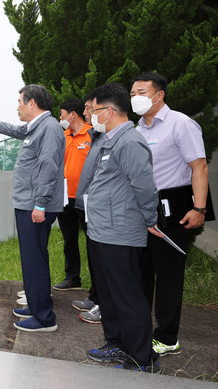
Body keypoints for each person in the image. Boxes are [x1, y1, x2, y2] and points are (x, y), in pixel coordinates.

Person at [0, 84, 65, 333]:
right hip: (29, 204)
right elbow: (11, 129)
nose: (17, 106)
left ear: (32, 103)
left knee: (35, 261)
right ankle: (36, 304)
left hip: (35, 206)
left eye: (20, 101)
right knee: (32, 259)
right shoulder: (37, 127)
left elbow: (49, 168)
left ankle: (44, 319)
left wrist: (40, 203)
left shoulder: (49, 128)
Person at [85, 83, 161, 373]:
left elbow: (145, 186)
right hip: (101, 231)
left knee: (127, 296)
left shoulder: (129, 141)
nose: (91, 115)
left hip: (120, 233)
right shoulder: (109, 140)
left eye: (94, 110)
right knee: (108, 295)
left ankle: (142, 358)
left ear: (109, 112)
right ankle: (116, 344)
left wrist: (149, 219)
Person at [131, 72, 209, 356]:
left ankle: (166, 337)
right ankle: (138, 330)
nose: (135, 98)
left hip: (172, 209)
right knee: (140, 273)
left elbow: (199, 167)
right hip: (140, 210)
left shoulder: (181, 124)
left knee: (168, 275)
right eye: (132, 94)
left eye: (141, 92)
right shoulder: (136, 130)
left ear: (159, 95)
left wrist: (198, 208)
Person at [70, 92, 103, 324]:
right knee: (94, 254)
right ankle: (95, 296)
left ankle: (104, 302)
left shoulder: (105, 137)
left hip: (100, 207)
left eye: (89, 108)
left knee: (103, 257)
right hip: (86, 204)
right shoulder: (97, 135)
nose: (85, 112)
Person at [53, 99, 91, 292]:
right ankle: (72, 278)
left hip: (87, 198)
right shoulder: (63, 137)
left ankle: (99, 284)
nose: (60, 118)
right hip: (65, 197)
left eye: (61, 114)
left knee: (93, 241)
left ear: (72, 115)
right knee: (69, 239)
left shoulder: (93, 134)